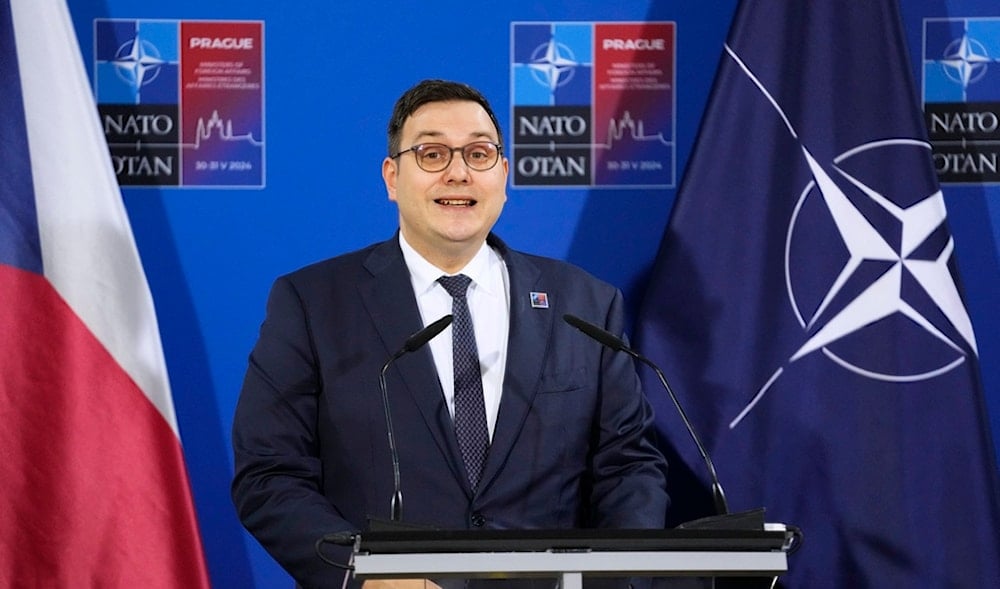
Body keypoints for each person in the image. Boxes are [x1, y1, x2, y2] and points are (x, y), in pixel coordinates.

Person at [231, 79, 670, 589]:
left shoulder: (586, 303)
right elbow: (270, 475)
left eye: (479, 154)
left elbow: (629, 466)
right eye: (433, 153)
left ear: (503, 175)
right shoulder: (312, 303)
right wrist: (365, 576)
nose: (458, 172)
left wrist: (614, 580)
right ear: (392, 177)